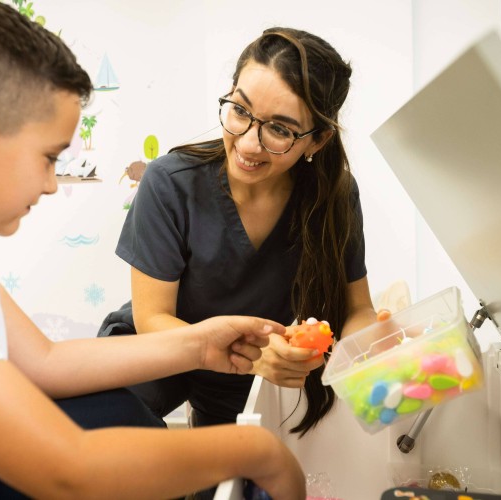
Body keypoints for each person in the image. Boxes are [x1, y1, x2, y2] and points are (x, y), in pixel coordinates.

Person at [0, 2, 307, 499]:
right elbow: (67, 469)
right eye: (48, 158)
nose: (51, 185)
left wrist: (200, 345)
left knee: (116, 411)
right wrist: (258, 451)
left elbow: (44, 361)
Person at [100, 27, 378, 434]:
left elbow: (358, 311)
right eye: (241, 111)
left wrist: (373, 346)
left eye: (280, 130)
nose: (249, 144)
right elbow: (152, 319)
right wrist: (255, 353)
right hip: (163, 351)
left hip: (246, 377)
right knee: (118, 442)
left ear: (317, 140)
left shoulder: (333, 196)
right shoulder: (171, 182)